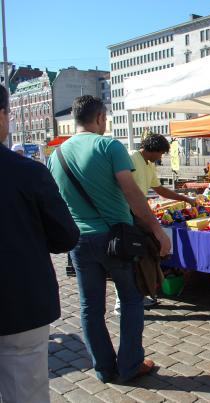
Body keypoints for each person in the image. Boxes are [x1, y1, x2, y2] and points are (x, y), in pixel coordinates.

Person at [48, 95, 171, 383]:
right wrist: (157, 230)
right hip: (116, 239)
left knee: (90, 307)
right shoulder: (108, 145)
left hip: (79, 241)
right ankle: (130, 366)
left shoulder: (57, 155)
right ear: (101, 117)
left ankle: (103, 368)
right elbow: (132, 193)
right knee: (130, 300)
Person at [0, 85, 80, 402]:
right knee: (26, 394)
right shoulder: (26, 173)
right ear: (2, 116)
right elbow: (65, 237)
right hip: (20, 303)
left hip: (21, 305)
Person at [113, 133, 195, 314]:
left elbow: (159, 189)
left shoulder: (148, 165)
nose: (161, 157)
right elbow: (124, 188)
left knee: (139, 256)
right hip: (127, 215)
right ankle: (121, 302)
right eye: (161, 153)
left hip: (138, 215)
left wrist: (183, 198)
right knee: (127, 256)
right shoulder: (131, 158)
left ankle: (138, 294)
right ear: (153, 150)